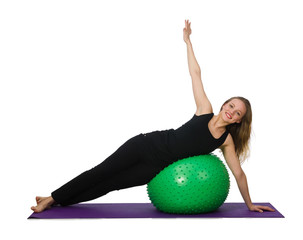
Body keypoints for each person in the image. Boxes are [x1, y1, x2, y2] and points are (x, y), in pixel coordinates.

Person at [31, 19, 275, 213]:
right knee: (100, 172)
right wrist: (187, 42)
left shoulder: (226, 141)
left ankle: (57, 201)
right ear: (224, 105)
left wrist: (249, 204)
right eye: (231, 105)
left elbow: (239, 174)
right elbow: (196, 74)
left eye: (237, 112)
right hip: (145, 145)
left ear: (238, 120)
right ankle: (52, 197)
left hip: (156, 167)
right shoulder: (205, 110)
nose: (231, 111)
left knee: (109, 185)